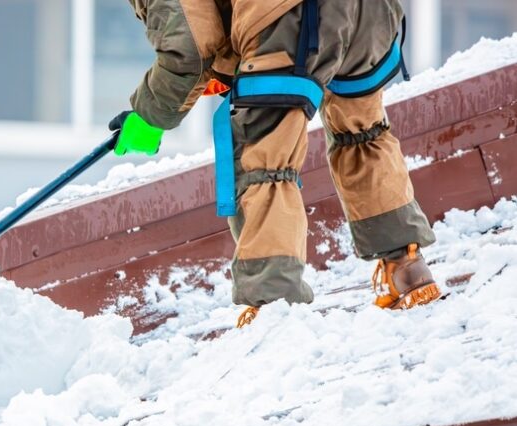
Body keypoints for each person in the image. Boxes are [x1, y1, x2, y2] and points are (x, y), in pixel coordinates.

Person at [110, 0, 441, 327]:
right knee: (362, 133)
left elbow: (190, 49)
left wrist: (149, 117)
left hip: (293, 16)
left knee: (265, 162)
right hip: (368, 15)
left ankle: (274, 306)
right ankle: (406, 268)